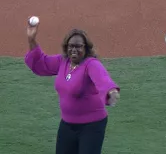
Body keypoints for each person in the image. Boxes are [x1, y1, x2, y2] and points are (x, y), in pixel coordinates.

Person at [24, 21, 120, 154]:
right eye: (71, 46)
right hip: (67, 124)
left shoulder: (91, 64)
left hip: (92, 125)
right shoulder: (63, 61)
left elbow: (102, 79)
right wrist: (31, 39)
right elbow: (41, 62)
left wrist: (111, 90)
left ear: (86, 48)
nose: (74, 50)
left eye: (78, 46)